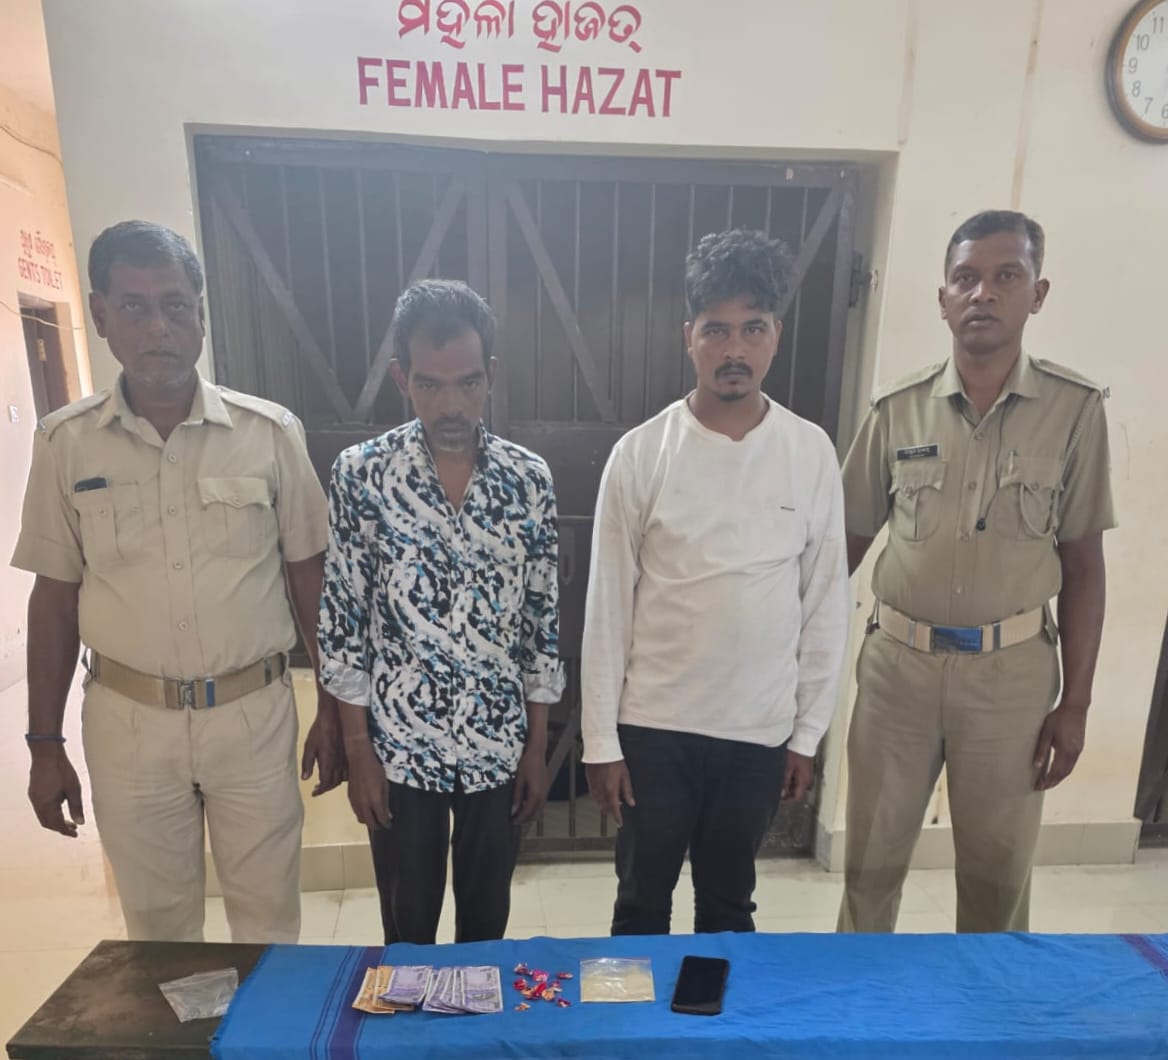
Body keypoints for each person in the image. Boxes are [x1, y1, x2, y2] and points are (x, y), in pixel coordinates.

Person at [12, 220, 342, 943]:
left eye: (174, 305)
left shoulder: (268, 434)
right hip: (128, 726)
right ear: (100, 315)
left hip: (252, 719)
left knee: (268, 922)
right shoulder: (66, 444)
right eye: (133, 306)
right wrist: (43, 742)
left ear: (201, 313)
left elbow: (309, 579)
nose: (157, 327)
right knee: (157, 934)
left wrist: (334, 705)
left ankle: (261, 1021)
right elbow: (55, 599)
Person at [837, 210, 1115, 934]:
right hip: (897, 673)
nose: (982, 293)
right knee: (868, 870)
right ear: (943, 299)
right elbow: (842, 548)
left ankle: (985, 1003)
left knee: (998, 880)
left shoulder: (1074, 411)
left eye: (1005, 276)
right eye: (965, 278)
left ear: (1037, 293)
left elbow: (1084, 567)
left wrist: (1077, 704)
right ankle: (861, 1000)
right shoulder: (896, 410)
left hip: (1010, 681)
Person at [580, 228, 850, 936]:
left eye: (752, 328)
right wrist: (602, 742)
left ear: (776, 336)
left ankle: (718, 1014)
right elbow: (606, 610)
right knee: (640, 904)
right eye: (716, 330)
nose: (735, 348)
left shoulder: (809, 452)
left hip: (757, 734)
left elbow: (826, 603)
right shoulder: (641, 454)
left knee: (730, 907)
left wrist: (807, 734)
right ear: (689, 338)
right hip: (655, 731)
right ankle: (642, 1016)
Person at [319, 279, 565, 946]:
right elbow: (342, 623)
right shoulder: (362, 475)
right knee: (407, 933)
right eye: (429, 385)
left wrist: (536, 748)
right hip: (399, 747)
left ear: (491, 375)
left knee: (486, 930)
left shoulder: (528, 481)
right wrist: (359, 752)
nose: (450, 405)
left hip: (497, 742)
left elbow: (541, 624)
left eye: (467, 383)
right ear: (402, 377)